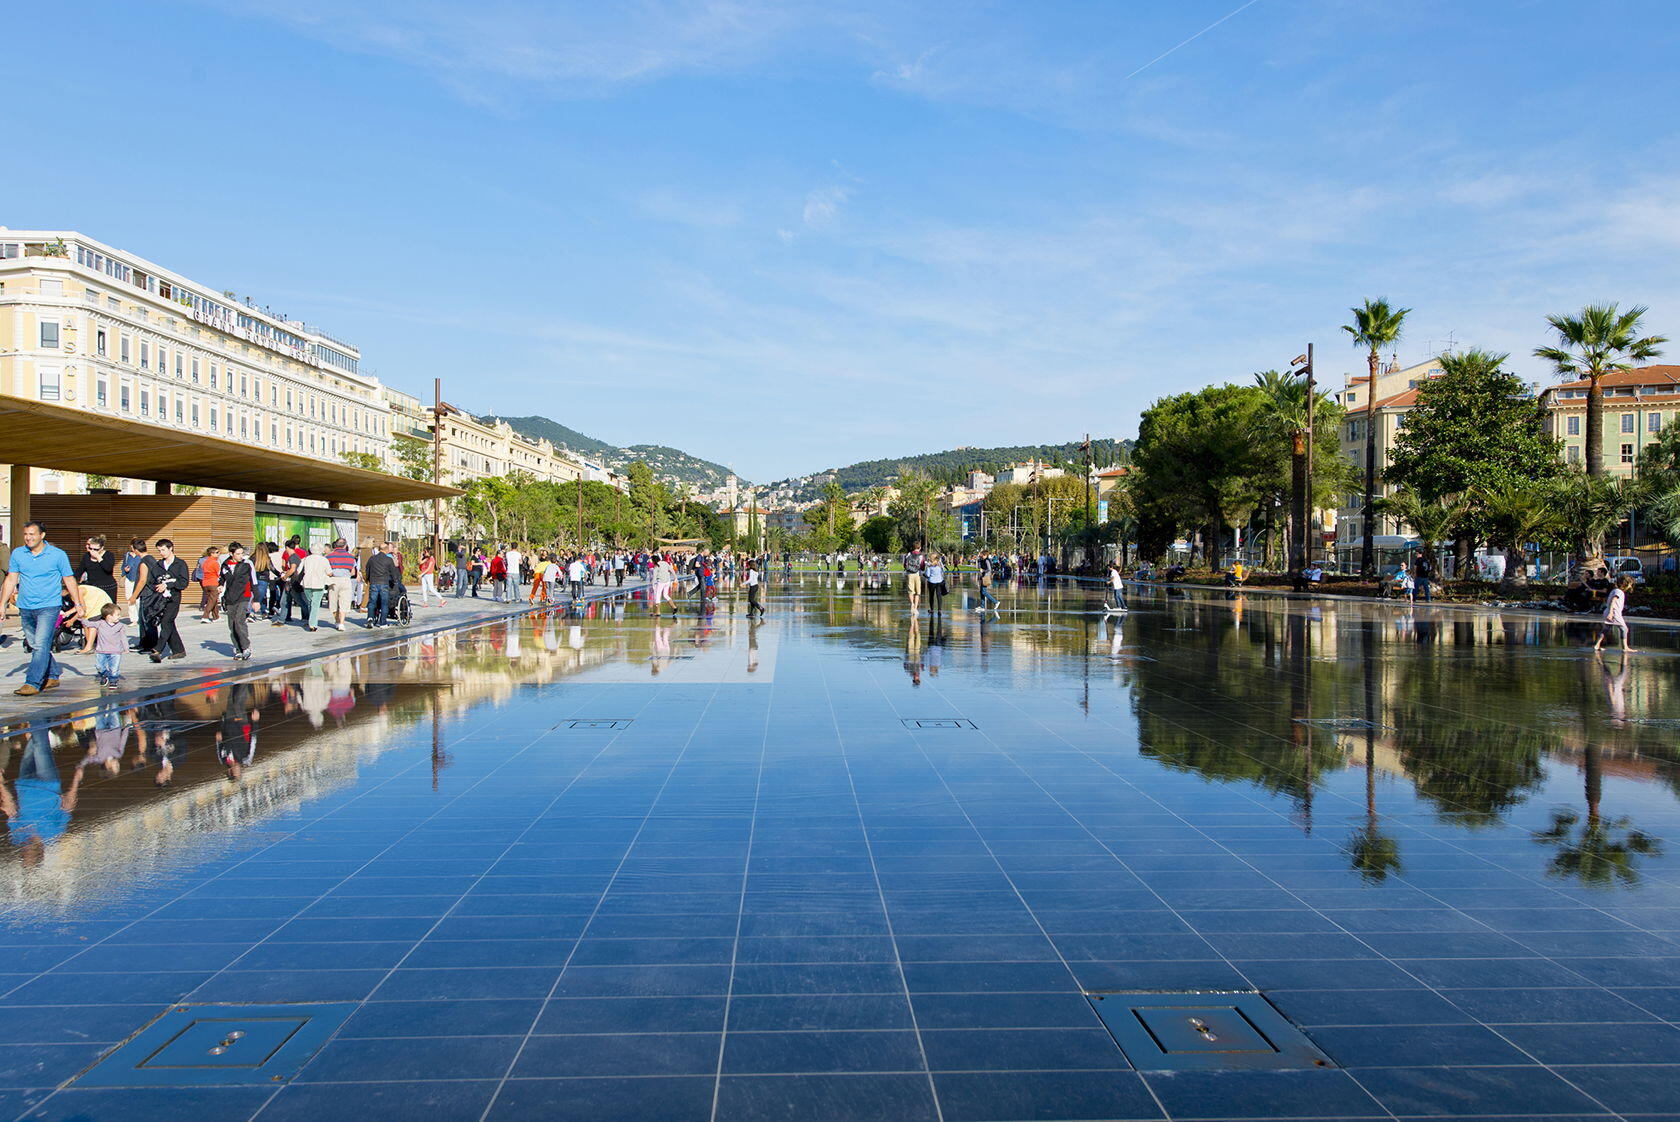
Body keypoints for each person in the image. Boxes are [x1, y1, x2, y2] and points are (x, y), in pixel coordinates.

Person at [1, 522, 81, 696]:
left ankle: (33, 682)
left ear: (42, 535)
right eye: (26, 534)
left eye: (32, 534)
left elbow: (69, 579)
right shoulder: (18, 553)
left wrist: (78, 604)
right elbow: (11, 579)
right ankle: (52, 675)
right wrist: (2, 604)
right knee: (36, 644)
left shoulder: (57, 555)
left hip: (49, 606)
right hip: (25, 606)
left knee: (40, 645)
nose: (28, 538)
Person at [144, 538, 190, 663]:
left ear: (171, 548)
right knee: (168, 624)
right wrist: (157, 587)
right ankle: (178, 650)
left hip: (173, 597)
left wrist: (169, 585)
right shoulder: (158, 565)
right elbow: (151, 581)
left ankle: (158, 649)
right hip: (160, 599)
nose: (162, 553)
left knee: (166, 621)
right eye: (159, 551)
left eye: (163, 550)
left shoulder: (180, 564)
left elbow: (184, 583)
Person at [220, 542, 256, 661]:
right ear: (231, 554)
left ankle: (246, 647)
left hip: (243, 597)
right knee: (232, 625)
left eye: (242, 553)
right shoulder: (225, 565)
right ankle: (238, 648)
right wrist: (220, 585)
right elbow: (222, 578)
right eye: (238, 554)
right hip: (230, 597)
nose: (241, 556)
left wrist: (256, 599)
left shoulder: (246, 565)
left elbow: (253, 581)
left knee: (239, 621)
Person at [1595, 575, 1638, 653]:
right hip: (1614, 613)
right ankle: (1625, 647)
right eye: (1630, 585)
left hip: (1608, 611)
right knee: (1624, 629)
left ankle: (1597, 645)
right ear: (1625, 584)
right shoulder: (1619, 592)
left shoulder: (1614, 590)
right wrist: (1611, 612)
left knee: (1606, 629)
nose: (1630, 587)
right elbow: (1613, 601)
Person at [88, 602, 127, 687]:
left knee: (114, 668)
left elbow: (123, 637)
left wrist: (126, 648)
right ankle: (104, 675)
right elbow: (88, 624)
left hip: (115, 651)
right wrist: (81, 618)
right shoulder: (100, 623)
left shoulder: (120, 626)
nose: (119, 616)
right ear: (109, 616)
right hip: (101, 650)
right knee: (99, 667)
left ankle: (113, 680)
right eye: (117, 615)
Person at [364, 541, 400, 627]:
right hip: (384, 583)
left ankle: (370, 618)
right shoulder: (388, 559)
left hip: (374, 583)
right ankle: (383, 622)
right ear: (386, 550)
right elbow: (393, 572)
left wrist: (368, 579)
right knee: (384, 602)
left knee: (372, 601)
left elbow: (367, 570)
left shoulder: (372, 558)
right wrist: (395, 581)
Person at [325, 538, 359, 628]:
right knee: (344, 602)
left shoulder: (329, 557)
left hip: (333, 580)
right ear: (345, 546)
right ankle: (342, 623)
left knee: (333, 601)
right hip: (345, 580)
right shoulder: (351, 557)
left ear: (336, 545)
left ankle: (336, 620)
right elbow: (353, 572)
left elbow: (326, 570)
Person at [77, 536, 118, 606]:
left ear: (102, 548)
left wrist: (98, 557)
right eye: (90, 548)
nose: (92, 551)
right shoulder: (86, 556)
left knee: (108, 610)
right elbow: (79, 571)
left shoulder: (109, 555)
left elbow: (108, 569)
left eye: (96, 549)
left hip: (107, 587)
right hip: (93, 587)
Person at [299, 544, 331, 631]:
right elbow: (329, 572)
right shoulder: (324, 560)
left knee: (310, 602)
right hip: (319, 584)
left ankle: (311, 620)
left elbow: (299, 571)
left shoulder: (306, 559)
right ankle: (313, 624)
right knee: (315, 604)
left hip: (307, 583)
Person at [196, 545, 223, 623]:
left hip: (205, 583)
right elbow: (218, 573)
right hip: (213, 583)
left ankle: (216, 616)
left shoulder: (205, 562)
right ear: (212, 553)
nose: (219, 554)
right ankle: (205, 616)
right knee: (212, 601)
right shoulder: (215, 563)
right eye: (217, 553)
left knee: (212, 600)